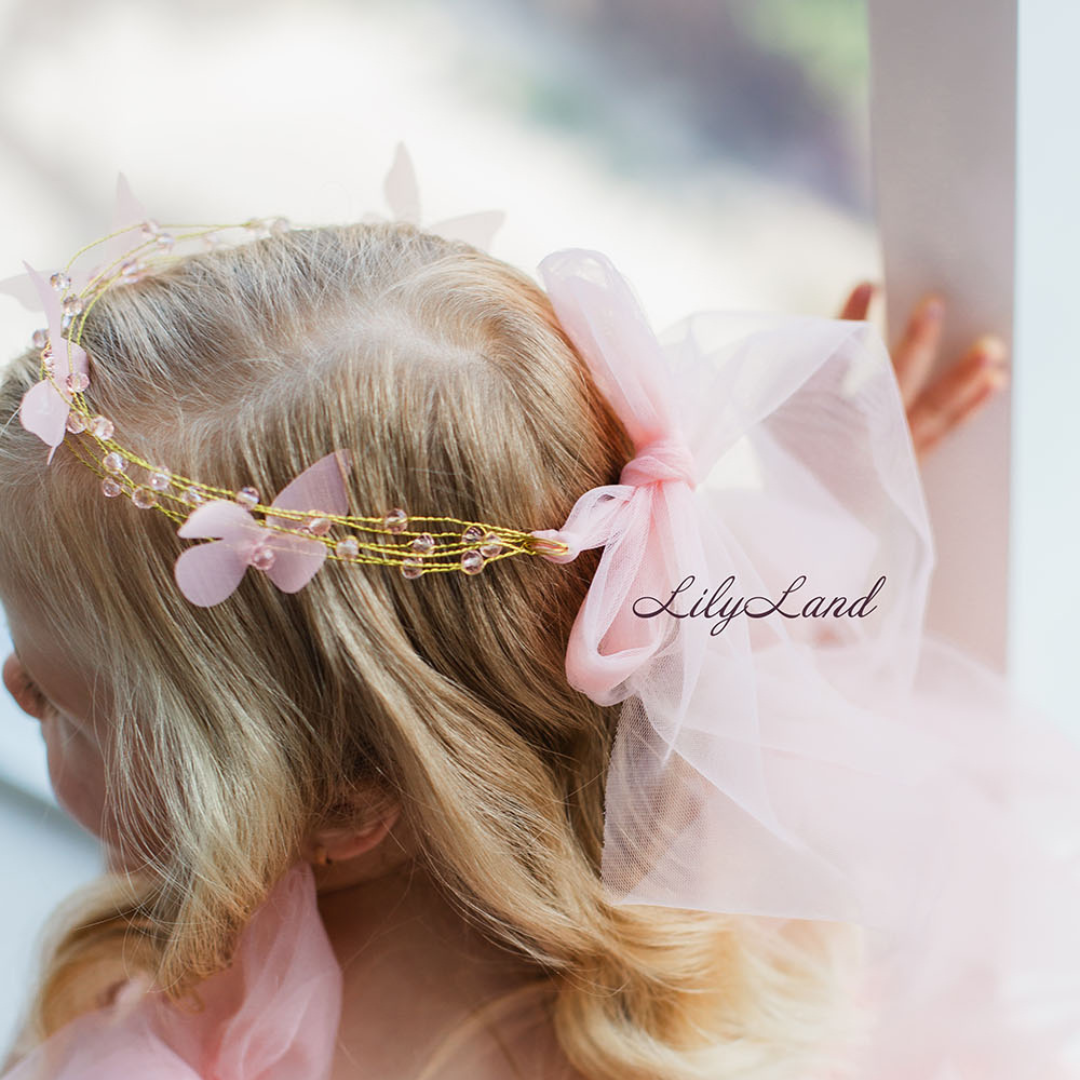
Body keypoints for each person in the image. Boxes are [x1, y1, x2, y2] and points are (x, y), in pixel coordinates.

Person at [0, 180, 1073, 1080]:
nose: (12, 685)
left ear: (342, 796)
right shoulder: (695, 788)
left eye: (61, 700)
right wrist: (828, 513)